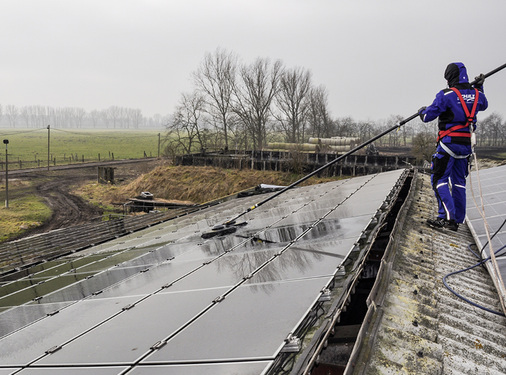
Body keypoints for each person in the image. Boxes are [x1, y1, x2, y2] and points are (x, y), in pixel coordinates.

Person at [418, 62, 488, 231]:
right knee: (458, 183)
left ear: (450, 78)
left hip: (448, 145)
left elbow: (428, 116)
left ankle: (446, 218)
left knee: (438, 180)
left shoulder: (446, 95)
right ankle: (456, 219)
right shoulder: (477, 94)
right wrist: (479, 87)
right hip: (465, 147)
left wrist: (422, 111)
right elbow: (483, 105)